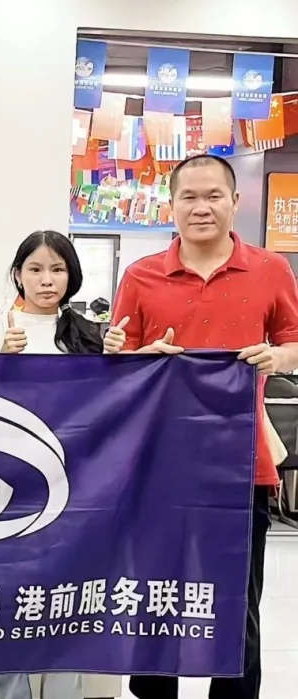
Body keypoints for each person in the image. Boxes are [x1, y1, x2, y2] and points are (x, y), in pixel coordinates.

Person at [111, 153, 298, 699]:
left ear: (235, 202)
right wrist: (140, 356)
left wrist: (277, 357)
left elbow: (294, 342)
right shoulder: (140, 275)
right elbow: (118, 368)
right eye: (189, 197)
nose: (201, 207)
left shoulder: (270, 270)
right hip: (157, 468)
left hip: (242, 467)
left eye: (213, 196)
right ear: (170, 205)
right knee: (156, 603)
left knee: (236, 608)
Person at [0, 230, 125, 699]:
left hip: (74, 492)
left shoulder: (91, 334)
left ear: (72, 276)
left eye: (57, 269)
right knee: (6, 604)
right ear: (18, 274)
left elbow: (110, 411)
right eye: (35, 269)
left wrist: (116, 361)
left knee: (67, 605)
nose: (46, 280)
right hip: (8, 490)